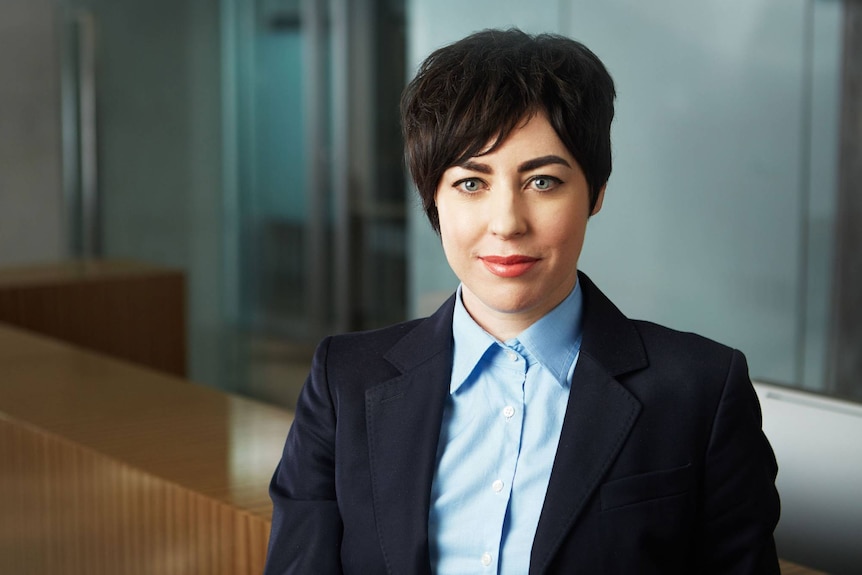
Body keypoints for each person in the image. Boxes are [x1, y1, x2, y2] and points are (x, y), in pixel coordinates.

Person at [264, 28, 780, 574]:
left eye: (542, 182)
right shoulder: (344, 381)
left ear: (596, 192)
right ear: (432, 199)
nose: (507, 223)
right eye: (470, 183)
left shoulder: (700, 389)